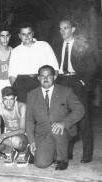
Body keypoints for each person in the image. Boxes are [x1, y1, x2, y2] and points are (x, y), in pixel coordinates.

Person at [53, 19, 96, 163]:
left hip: (77, 81)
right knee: (65, 117)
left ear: (73, 29)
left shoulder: (81, 45)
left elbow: (92, 67)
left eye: (65, 28)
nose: (62, 31)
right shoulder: (57, 45)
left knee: (83, 118)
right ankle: (68, 152)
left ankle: (87, 154)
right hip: (62, 82)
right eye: (60, 28)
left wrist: (83, 82)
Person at [26, 65, 85, 170]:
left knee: (57, 129)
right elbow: (29, 120)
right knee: (40, 164)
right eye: (42, 76)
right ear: (38, 78)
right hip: (43, 133)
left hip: (63, 130)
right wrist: (31, 141)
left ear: (55, 76)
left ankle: (62, 159)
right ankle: (53, 151)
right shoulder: (32, 95)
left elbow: (80, 110)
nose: (46, 78)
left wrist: (64, 123)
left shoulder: (66, 91)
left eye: (49, 75)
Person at [8, 22, 59, 103]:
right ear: (19, 36)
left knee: (42, 109)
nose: (27, 36)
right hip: (22, 84)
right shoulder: (15, 51)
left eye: (29, 33)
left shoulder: (44, 45)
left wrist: (50, 86)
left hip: (40, 81)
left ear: (33, 33)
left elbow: (55, 68)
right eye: (23, 34)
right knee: (25, 111)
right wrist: (16, 90)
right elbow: (12, 75)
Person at [0, 87, 29, 167]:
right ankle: (9, 152)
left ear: (15, 98)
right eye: (5, 99)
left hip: (22, 136)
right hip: (8, 135)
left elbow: (22, 130)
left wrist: (3, 136)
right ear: (1, 99)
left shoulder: (21, 106)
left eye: (11, 99)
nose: (8, 103)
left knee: (15, 140)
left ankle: (24, 152)